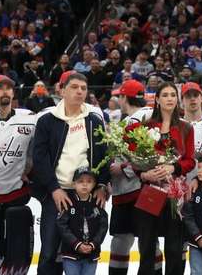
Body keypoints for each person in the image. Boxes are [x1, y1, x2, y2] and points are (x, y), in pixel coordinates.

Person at [32, 71, 109, 275]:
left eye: (83, 88)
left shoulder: (94, 120)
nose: (80, 92)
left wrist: (101, 185)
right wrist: (54, 189)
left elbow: (104, 155)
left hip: (86, 194)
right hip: (56, 194)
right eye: (74, 87)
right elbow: (40, 160)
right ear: (62, 89)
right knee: (49, 251)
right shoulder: (47, 120)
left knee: (84, 252)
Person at [134, 81, 195, 275]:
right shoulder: (145, 126)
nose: (170, 98)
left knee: (175, 248)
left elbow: (190, 161)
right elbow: (135, 160)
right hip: (149, 192)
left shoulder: (186, 128)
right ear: (157, 100)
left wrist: (173, 167)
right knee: (147, 246)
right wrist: (144, 173)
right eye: (165, 95)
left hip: (174, 194)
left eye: (172, 95)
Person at [0, 74, 37, 275]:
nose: (5, 91)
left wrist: (31, 166)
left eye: (8, 88)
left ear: (13, 93)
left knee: (14, 252)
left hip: (15, 195)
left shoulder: (29, 118)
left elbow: (42, 145)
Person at [107, 80, 155, 275]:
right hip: (136, 191)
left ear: (124, 97)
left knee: (124, 240)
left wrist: (125, 167)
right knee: (147, 241)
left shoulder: (136, 120)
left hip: (135, 190)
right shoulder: (148, 116)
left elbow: (151, 157)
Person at [55, 166, 109, 275]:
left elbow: (103, 227)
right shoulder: (68, 203)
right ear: (74, 183)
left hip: (91, 255)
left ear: (94, 184)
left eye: (89, 181)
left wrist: (93, 244)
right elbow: (62, 226)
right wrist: (76, 244)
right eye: (80, 181)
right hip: (71, 254)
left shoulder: (98, 203)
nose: (85, 184)